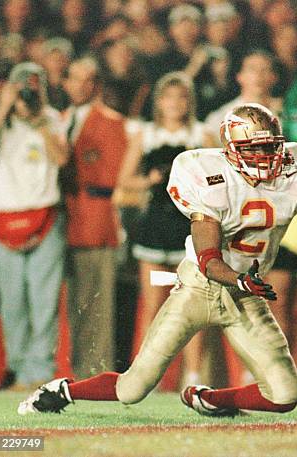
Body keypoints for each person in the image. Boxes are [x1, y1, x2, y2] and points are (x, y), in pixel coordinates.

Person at [17, 103, 297, 416]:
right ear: (231, 152)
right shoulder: (208, 176)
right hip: (200, 287)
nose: (265, 157)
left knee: (284, 396)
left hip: (245, 294)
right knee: (133, 388)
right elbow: (210, 257)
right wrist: (238, 279)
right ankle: (61, 392)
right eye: (253, 149)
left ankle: (208, 399)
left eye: (269, 147)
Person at [116, 71, 206, 387]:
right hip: (155, 232)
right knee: (154, 304)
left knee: (192, 305)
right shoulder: (147, 136)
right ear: (159, 102)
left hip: (190, 233)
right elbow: (125, 179)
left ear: (189, 102)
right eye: (169, 97)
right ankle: (145, 376)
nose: (175, 104)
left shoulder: (201, 136)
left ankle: (192, 377)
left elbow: (216, 179)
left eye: (182, 97)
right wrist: (151, 180)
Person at [0, 62, 68, 390]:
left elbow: (61, 158)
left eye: (33, 86)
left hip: (45, 215)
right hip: (3, 217)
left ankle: (39, 370)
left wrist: (38, 122)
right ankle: (18, 368)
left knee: (44, 298)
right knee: (12, 300)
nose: (27, 91)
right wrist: (5, 107)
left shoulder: (51, 118)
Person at [62, 56, 128, 379]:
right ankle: (75, 370)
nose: (79, 85)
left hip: (95, 222)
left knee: (96, 305)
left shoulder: (112, 123)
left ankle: (95, 373)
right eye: (73, 78)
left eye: (87, 79)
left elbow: (115, 177)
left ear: (97, 85)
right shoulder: (59, 119)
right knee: (74, 304)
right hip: (62, 221)